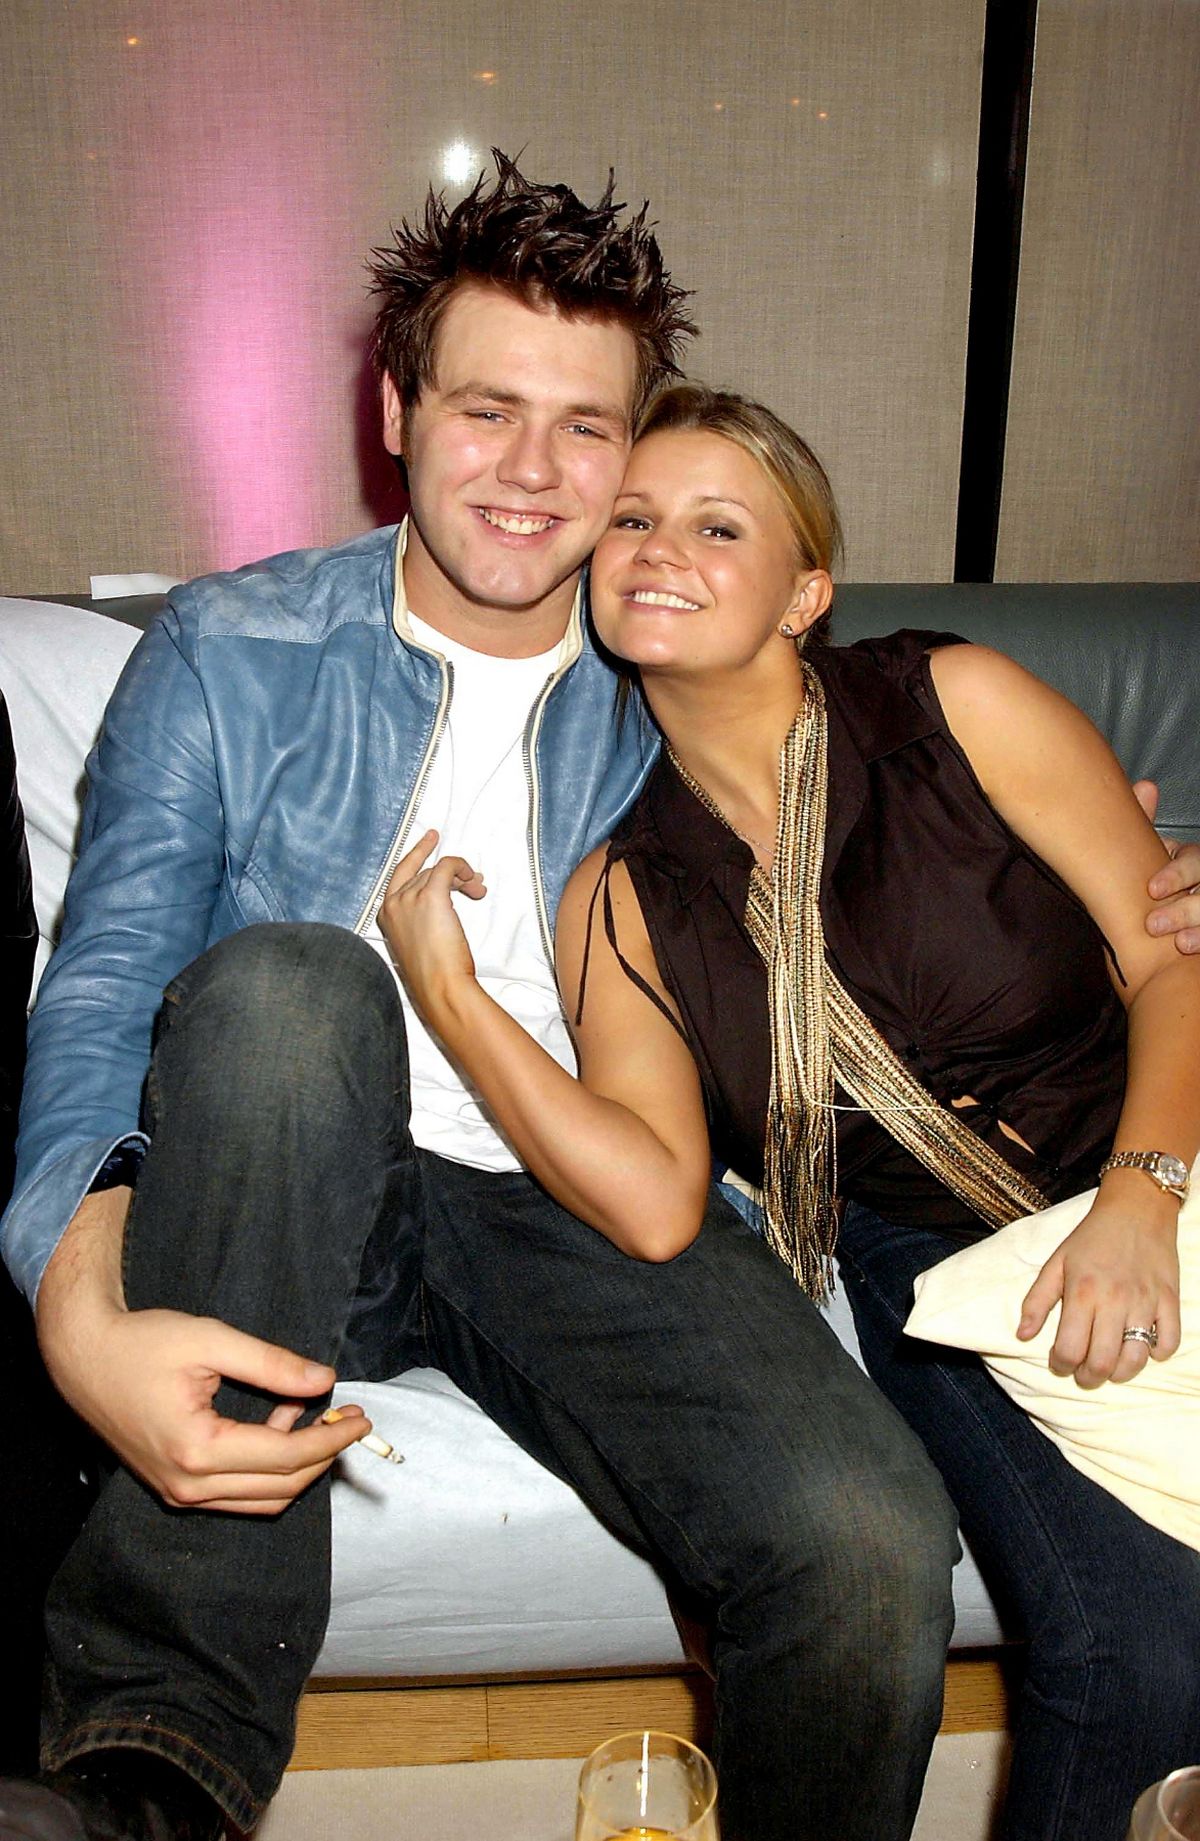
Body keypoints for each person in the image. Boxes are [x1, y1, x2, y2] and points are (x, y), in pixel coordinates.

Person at [0, 159, 966, 1841]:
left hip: (571, 1193)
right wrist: (81, 1321)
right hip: (290, 1174)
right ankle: (153, 1771)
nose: (532, 473)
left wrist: (1128, 893)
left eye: (585, 428)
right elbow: (99, 994)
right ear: (397, 412)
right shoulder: (231, 648)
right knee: (297, 984)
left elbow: (903, 783)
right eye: (486, 410)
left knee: (868, 1542)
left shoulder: (674, 659)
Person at [380, 383, 1200, 1841]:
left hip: (1149, 1154)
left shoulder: (951, 703)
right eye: (633, 519)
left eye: (717, 527)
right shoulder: (622, 887)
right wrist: (453, 999)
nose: (658, 549)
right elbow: (652, 1199)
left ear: (804, 592)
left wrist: (1142, 1196)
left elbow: (1170, 956)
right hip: (928, 1258)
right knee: (1137, 1653)